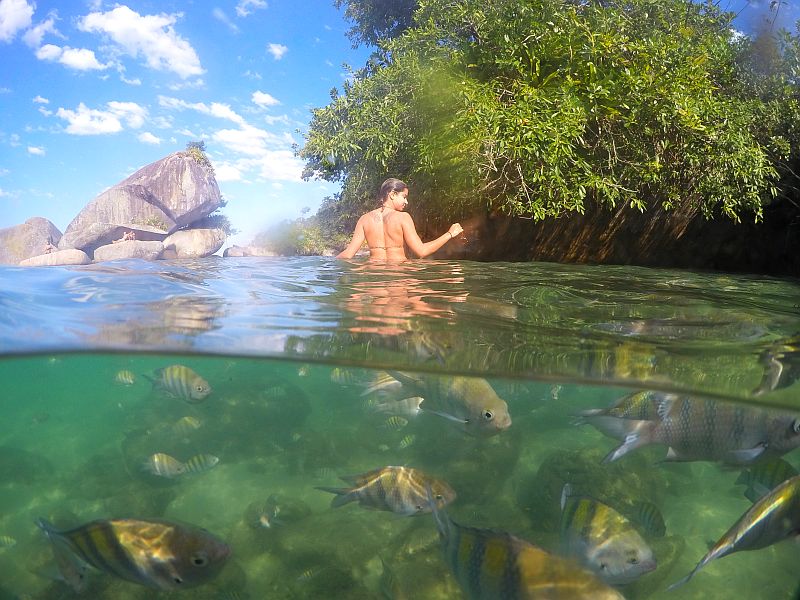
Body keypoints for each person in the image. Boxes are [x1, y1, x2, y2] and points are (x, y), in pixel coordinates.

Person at [336, 178, 463, 261]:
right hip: (399, 273)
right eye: (404, 197)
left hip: (374, 275)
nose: (406, 202)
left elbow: (347, 255)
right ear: (392, 195)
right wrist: (450, 234)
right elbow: (421, 251)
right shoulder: (403, 217)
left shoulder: (364, 219)